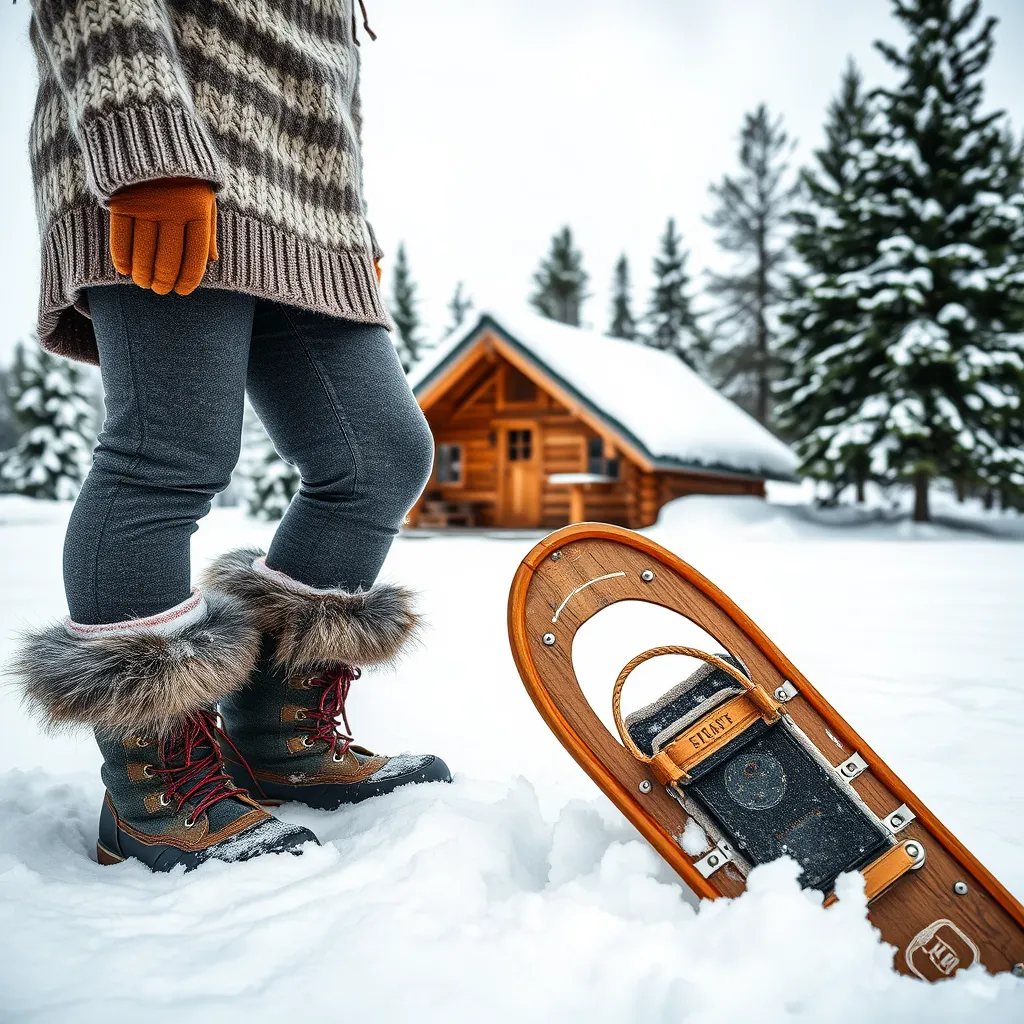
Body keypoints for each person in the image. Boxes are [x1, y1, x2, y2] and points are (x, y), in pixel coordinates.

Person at [12, 0, 449, 872]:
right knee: (168, 456)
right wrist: (146, 149)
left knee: (379, 457)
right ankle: (153, 791)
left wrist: (349, 220)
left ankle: (278, 739)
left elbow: (328, 78)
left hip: (308, 211)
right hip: (170, 150)